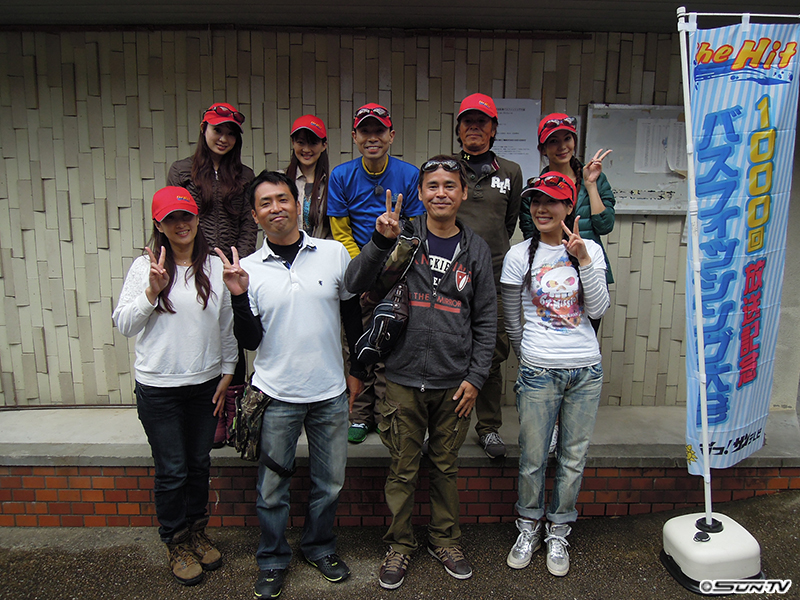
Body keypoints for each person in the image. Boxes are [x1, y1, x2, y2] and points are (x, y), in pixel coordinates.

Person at [344, 156, 496, 590]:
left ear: (462, 193)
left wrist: (476, 378)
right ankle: (399, 545)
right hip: (402, 379)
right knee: (402, 469)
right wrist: (379, 240)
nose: (441, 193)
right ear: (420, 193)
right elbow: (355, 283)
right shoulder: (403, 237)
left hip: (454, 384)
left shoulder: (476, 249)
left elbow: (487, 320)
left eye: (450, 185)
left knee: (445, 468)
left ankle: (445, 540)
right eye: (432, 186)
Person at [214, 171, 366, 600]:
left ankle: (319, 547)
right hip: (276, 395)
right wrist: (239, 295)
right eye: (265, 203)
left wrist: (357, 371)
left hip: (329, 393)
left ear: (298, 204)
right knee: (272, 488)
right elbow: (250, 341)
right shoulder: (248, 268)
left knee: (330, 483)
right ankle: (272, 558)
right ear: (255, 215)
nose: (275, 208)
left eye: (282, 199)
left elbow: (351, 316)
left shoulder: (333, 253)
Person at [112, 186, 237, 586]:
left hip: (205, 386)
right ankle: (176, 542)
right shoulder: (145, 266)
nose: (181, 224)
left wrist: (228, 370)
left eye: (187, 216)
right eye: (171, 219)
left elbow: (226, 324)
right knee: (172, 470)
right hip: (159, 388)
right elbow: (124, 324)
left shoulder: (214, 266)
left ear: (198, 218)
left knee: (199, 464)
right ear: (159, 224)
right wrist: (151, 291)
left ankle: (197, 532)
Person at [500, 173, 610, 577]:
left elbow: (598, 310)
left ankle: (558, 531)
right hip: (539, 369)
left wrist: (583, 260)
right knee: (532, 457)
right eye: (535, 201)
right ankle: (528, 527)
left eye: (551, 201)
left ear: (569, 206)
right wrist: (528, 352)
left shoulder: (589, 249)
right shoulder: (518, 255)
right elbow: (512, 317)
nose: (541, 209)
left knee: (572, 457)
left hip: (585, 369)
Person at [327, 103, 425, 444]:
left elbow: (415, 229)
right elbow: (340, 231)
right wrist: (365, 269)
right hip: (358, 274)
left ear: (391, 136)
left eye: (379, 131)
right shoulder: (341, 176)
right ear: (354, 137)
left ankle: (387, 415)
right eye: (365, 131)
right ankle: (359, 415)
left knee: (390, 345)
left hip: (398, 274)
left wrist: (388, 274)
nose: (373, 138)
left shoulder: (409, 174)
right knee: (358, 344)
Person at [167, 101, 257, 448]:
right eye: (217, 130)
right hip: (194, 263)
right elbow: (177, 218)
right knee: (201, 329)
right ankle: (209, 410)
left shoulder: (245, 175)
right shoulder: (181, 171)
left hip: (232, 265)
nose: (223, 138)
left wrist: (237, 261)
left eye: (231, 133)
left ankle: (234, 408)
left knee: (234, 332)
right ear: (204, 129)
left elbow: (248, 222)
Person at [453, 93, 523, 459]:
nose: (475, 127)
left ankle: (489, 427)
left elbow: (508, 224)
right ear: (459, 129)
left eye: (482, 121)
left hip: (493, 278)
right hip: (450, 277)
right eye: (468, 121)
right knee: (448, 350)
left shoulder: (510, 172)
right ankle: (446, 428)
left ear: (493, 129)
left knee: (491, 353)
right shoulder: (445, 167)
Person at [520, 112, 615, 291]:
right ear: (543, 149)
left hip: (589, 265)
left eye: (567, 138)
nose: (562, 146)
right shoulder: (534, 190)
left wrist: (590, 185)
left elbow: (605, 226)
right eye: (553, 141)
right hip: (550, 274)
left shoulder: (595, 179)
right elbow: (530, 236)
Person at [286, 114, 331, 238]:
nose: (306, 149)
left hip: (322, 249)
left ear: (324, 145)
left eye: (313, 143)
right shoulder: (280, 180)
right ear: (293, 142)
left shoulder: (333, 183)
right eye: (301, 142)